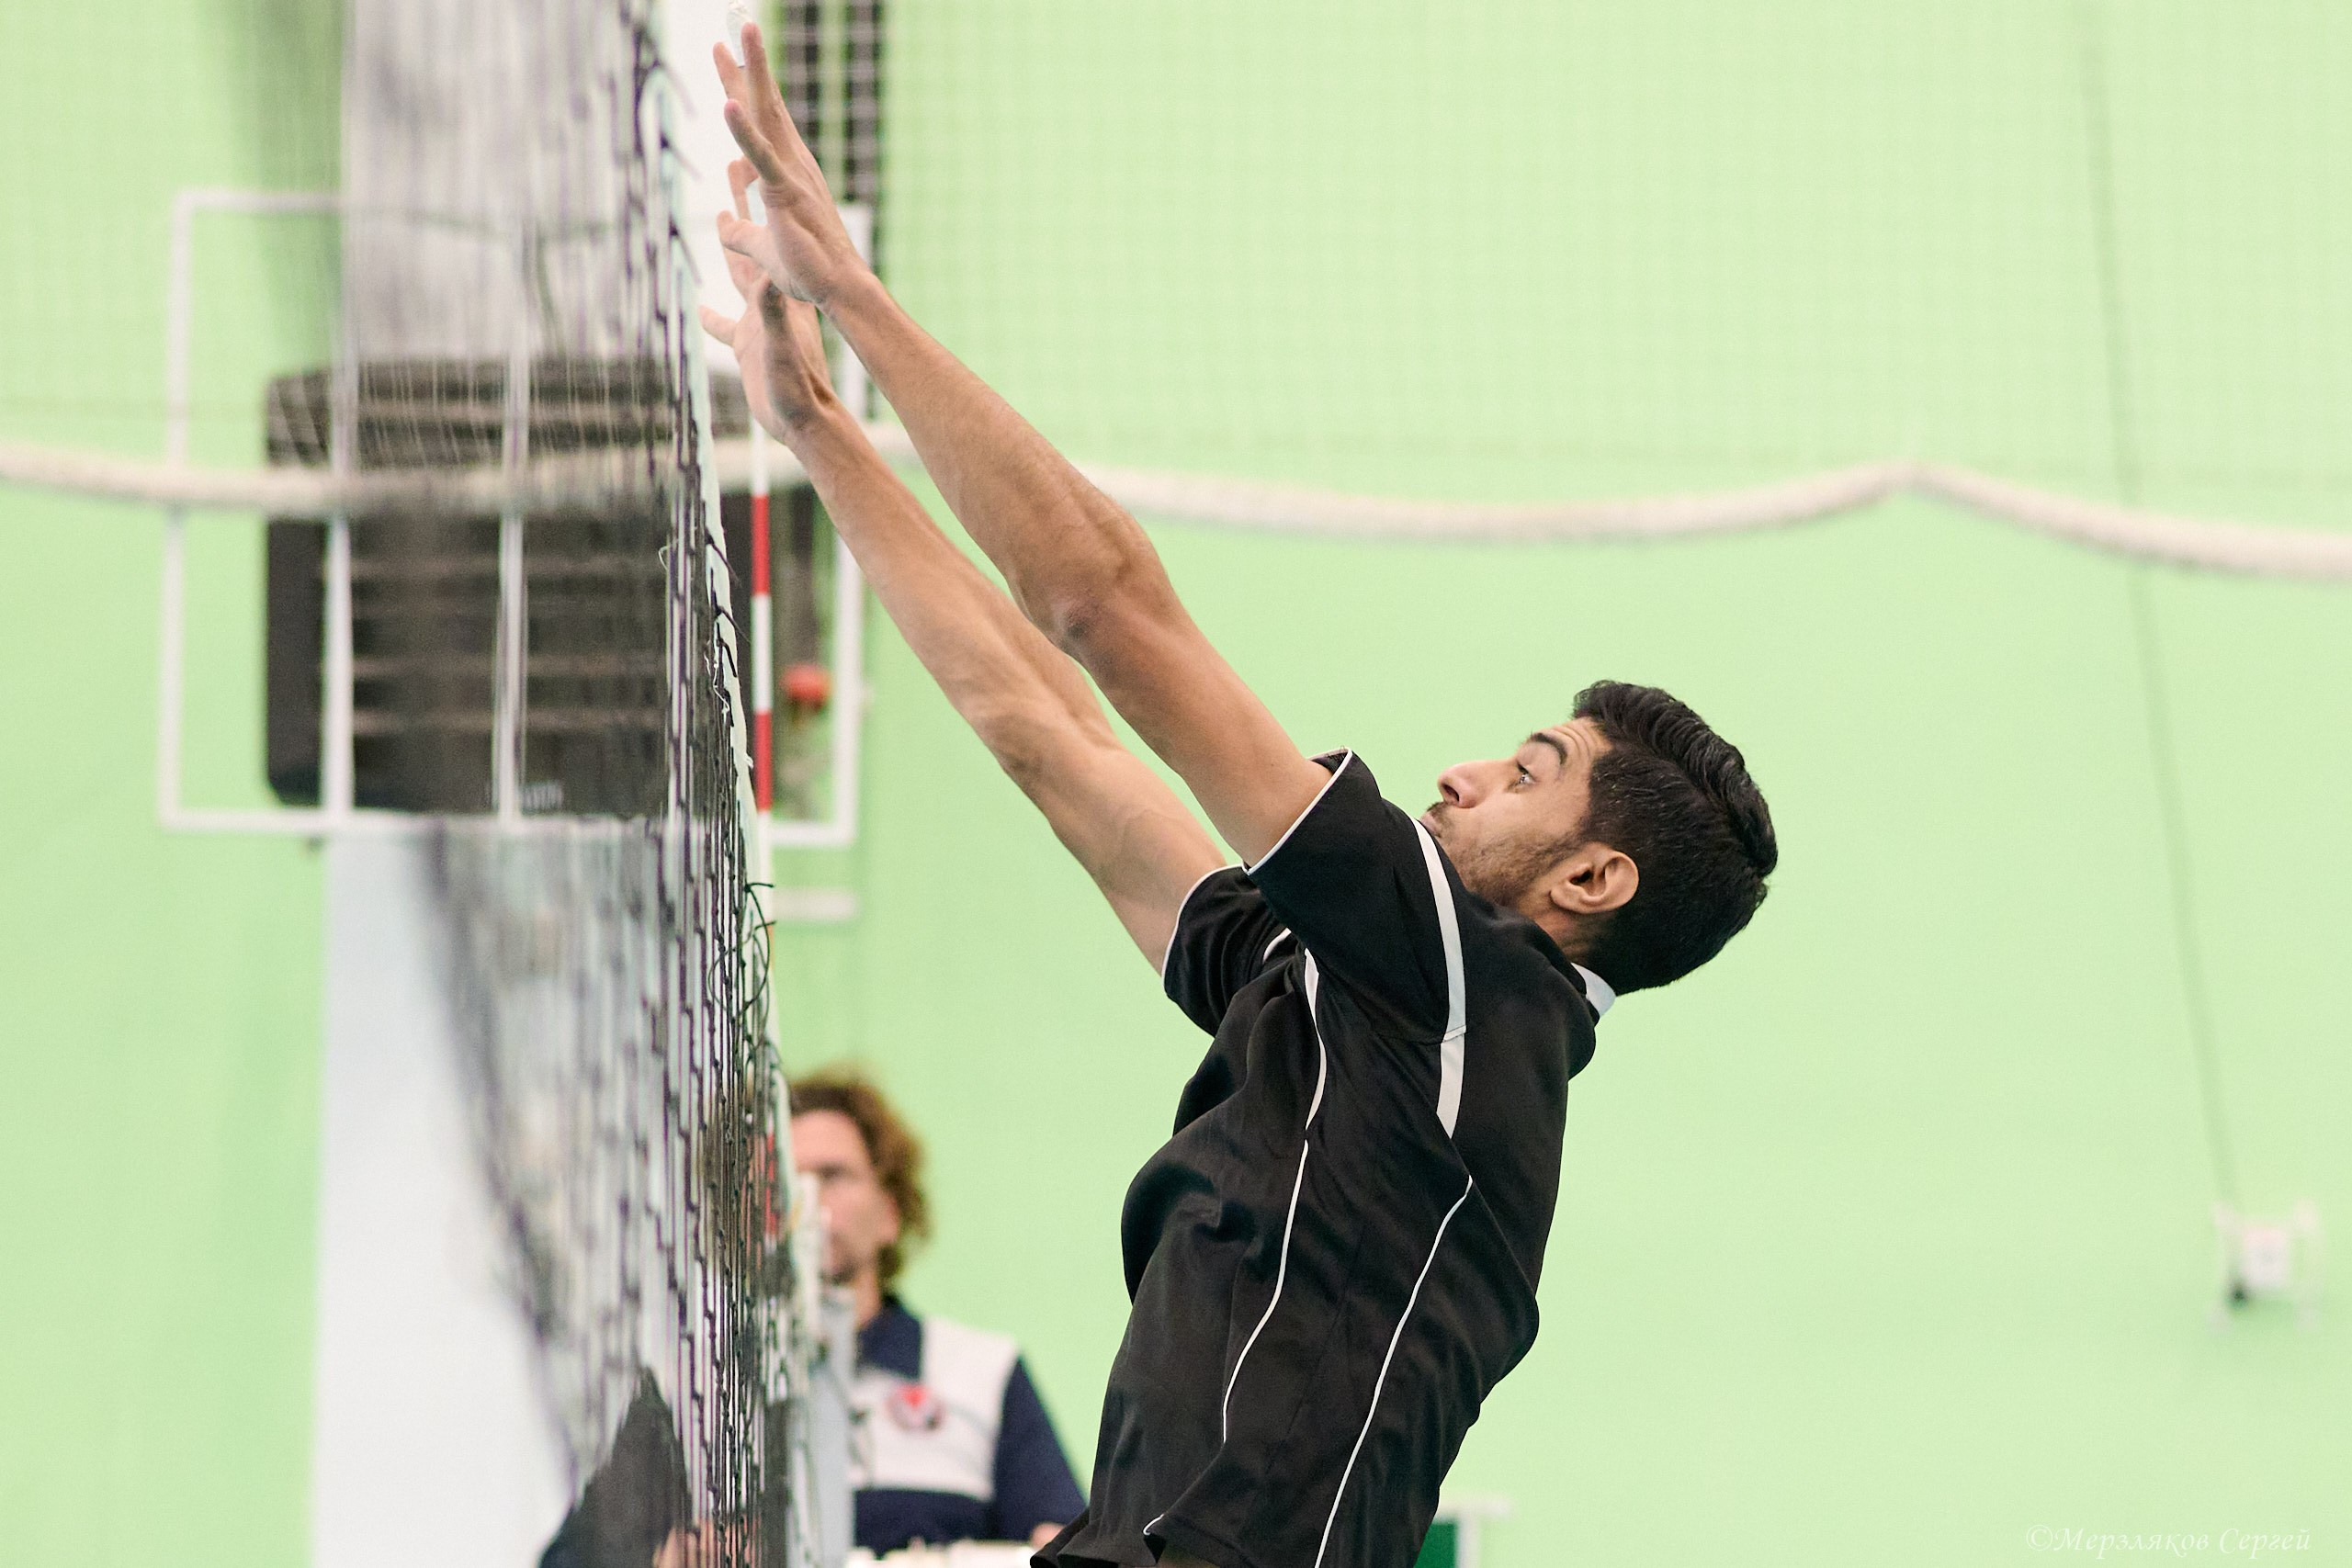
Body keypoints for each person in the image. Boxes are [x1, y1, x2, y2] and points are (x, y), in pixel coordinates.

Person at [704, 27, 1779, 1568]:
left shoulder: (1475, 989)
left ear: (1590, 883)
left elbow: (1105, 605)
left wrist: (856, 298)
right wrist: (812, 426)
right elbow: (1049, 736)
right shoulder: (1349, 999)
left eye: (1529, 771)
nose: (1465, 771)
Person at [791, 1067, 1086, 1551]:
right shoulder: (706, 1392)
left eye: (832, 1176)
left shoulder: (982, 1370)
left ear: (889, 1212)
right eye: (785, 1179)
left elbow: (1057, 1543)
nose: (804, 1200)